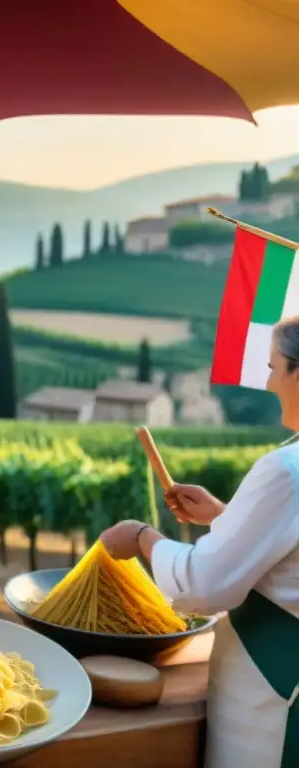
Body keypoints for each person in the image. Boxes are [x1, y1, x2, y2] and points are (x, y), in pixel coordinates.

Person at [99, 315, 299, 768]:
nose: (269, 385)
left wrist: (142, 537)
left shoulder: (286, 469)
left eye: (272, 368)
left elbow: (205, 585)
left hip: (274, 689)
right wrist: (228, 517)